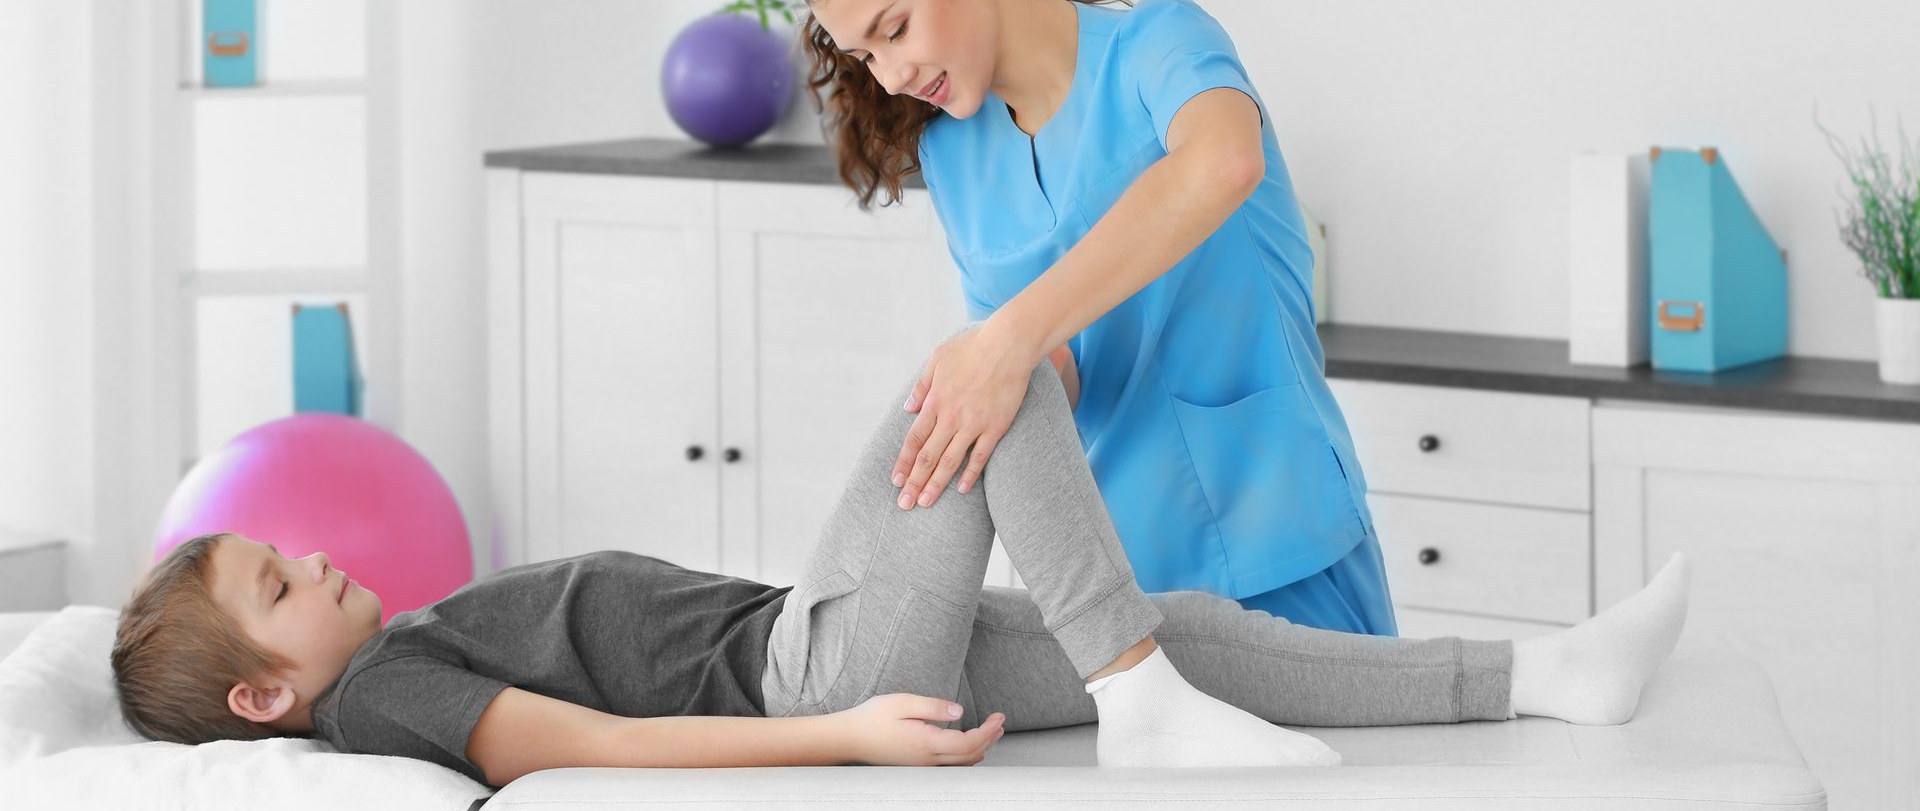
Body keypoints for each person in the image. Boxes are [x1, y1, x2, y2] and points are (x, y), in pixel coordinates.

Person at [111, 354, 1691, 788]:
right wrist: (842, 735)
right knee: (979, 379)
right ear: (266, 690)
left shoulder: (394, 649)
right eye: (275, 579)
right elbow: (584, 748)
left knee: (1184, 623)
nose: (311, 555)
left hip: (821, 647)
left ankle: (1549, 676)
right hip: (815, 673)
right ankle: (1135, 694)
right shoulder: (381, 695)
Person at [799, 0, 1393, 633]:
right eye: (866, 55)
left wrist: (1008, 339)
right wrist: (984, 388)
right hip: (1111, 593)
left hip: (1279, 532)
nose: (891, 75)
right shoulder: (953, 154)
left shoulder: (1159, 42)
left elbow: (1222, 162)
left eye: (895, 29)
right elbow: (1054, 370)